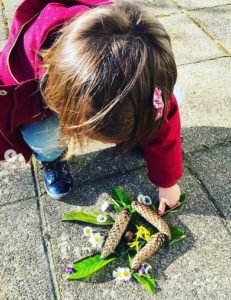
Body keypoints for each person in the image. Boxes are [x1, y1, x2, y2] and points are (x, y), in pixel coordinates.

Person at [0, 0, 182, 215]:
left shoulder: (148, 82)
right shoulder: (20, 69)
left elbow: (166, 120)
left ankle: (136, 133)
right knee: (41, 136)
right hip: (36, 96)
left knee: (167, 104)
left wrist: (167, 182)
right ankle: (52, 158)